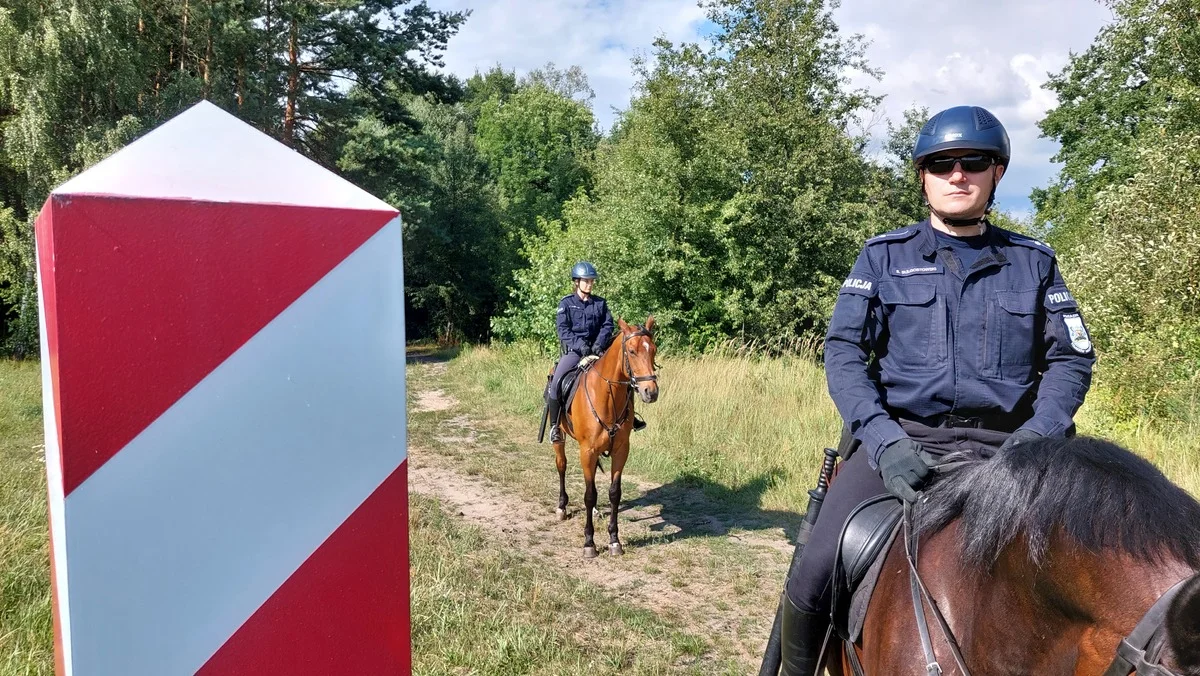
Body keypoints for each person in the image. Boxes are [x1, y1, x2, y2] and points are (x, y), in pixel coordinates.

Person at [776, 105, 1096, 674]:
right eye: (941, 163)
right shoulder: (883, 257)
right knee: (814, 568)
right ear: (923, 175)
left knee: (1104, 575)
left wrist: (1037, 439)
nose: (957, 174)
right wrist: (880, 439)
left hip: (1013, 453)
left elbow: (1071, 359)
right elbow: (845, 353)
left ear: (996, 172)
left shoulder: (1035, 264)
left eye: (973, 161)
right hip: (903, 445)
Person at [547, 261, 614, 443]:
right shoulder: (567, 304)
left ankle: (629, 420)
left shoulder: (600, 303)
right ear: (576, 281)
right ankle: (555, 427)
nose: (590, 284)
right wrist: (581, 346)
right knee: (556, 383)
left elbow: (608, 325)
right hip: (576, 352)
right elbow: (563, 330)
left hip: (598, 350)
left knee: (622, 377)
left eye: (592, 281)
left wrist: (599, 345)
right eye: (586, 281)